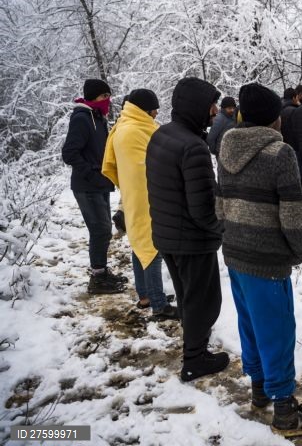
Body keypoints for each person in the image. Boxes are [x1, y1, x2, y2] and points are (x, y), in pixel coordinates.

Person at [217, 82, 302, 437]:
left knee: (251, 323)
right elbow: (293, 213)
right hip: (267, 257)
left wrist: (228, 235)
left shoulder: (225, 146)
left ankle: (260, 390)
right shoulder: (281, 154)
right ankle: (284, 412)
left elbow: (220, 202)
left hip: (235, 252)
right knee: (278, 330)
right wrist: (298, 249)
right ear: (274, 120)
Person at [146, 77, 228, 382]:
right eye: (211, 105)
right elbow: (203, 208)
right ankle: (194, 361)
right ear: (197, 107)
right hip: (192, 240)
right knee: (202, 302)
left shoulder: (162, 135)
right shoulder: (193, 147)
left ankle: (196, 351)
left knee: (187, 298)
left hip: (168, 235)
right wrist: (222, 229)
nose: (216, 111)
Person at [102, 89, 178, 319]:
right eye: (154, 109)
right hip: (145, 196)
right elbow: (147, 167)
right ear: (145, 109)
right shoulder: (135, 130)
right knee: (151, 246)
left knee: (139, 246)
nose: (156, 114)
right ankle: (158, 304)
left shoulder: (126, 126)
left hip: (136, 195)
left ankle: (145, 296)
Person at [62, 78, 125, 294]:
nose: (107, 100)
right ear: (92, 97)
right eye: (103, 96)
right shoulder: (82, 118)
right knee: (100, 230)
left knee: (103, 229)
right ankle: (98, 279)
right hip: (87, 185)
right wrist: (91, 173)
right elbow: (69, 153)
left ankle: (101, 271)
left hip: (100, 183)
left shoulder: (99, 118)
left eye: (108, 96)